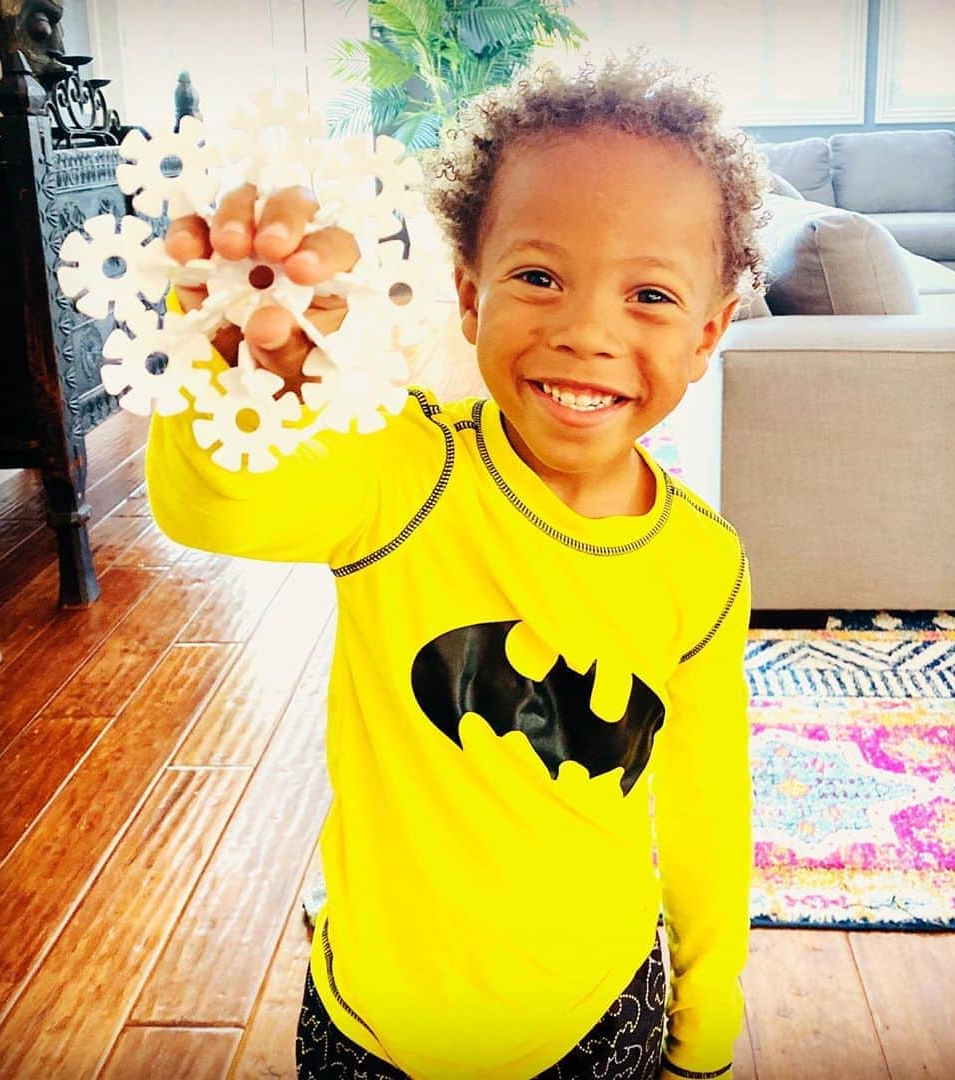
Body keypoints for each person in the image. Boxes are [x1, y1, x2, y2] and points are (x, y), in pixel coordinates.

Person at [149, 49, 767, 1080]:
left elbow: (708, 805)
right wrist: (235, 358)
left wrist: (708, 1021)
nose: (585, 333)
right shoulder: (407, 470)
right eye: (538, 277)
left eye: (649, 297)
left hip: (596, 1015)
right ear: (468, 296)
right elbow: (213, 505)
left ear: (708, 334)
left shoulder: (701, 564)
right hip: (374, 1022)